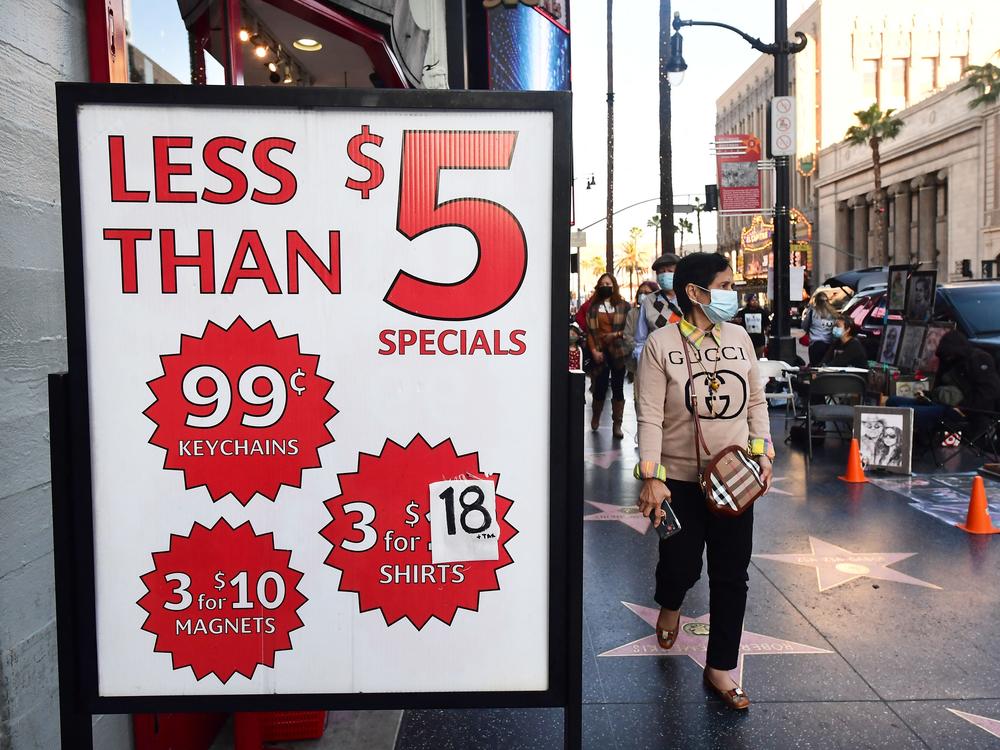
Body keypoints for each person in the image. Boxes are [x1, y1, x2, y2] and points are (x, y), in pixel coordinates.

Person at [634, 252, 773, 711]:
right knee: (681, 565)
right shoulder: (661, 346)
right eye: (726, 285)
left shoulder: (739, 338)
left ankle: (721, 667)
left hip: (735, 479)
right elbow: (650, 417)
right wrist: (652, 477)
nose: (733, 295)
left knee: (732, 575)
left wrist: (763, 451)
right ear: (696, 292)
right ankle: (670, 601)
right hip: (679, 484)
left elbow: (756, 401)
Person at [888, 330, 1000, 435]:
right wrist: (927, 395)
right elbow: (940, 386)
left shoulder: (979, 359)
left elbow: (988, 392)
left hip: (966, 409)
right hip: (945, 403)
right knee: (893, 401)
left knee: (906, 413)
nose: (948, 358)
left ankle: (907, 445)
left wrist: (963, 407)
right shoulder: (947, 360)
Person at [586, 273, 631, 439]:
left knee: (618, 387)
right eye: (602, 283)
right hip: (600, 351)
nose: (606, 285)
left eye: (609, 283)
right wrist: (594, 351)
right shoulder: (593, 307)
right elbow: (590, 333)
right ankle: (596, 415)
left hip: (619, 352)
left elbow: (629, 329)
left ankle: (617, 424)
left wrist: (616, 334)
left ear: (614, 286)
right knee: (600, 387)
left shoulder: (624, 306)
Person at [632, 253, 682, 365]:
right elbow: (641, 339)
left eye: (670, 271)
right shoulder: (648, 302)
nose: (665, 275)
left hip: (685, 359)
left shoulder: (690, 298)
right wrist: (642, 362)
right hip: (657, 360)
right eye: (661, 272)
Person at [624, 281, 659, 381]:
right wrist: (639, 349)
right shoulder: (633, 313)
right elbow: (627, 335)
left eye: (647, 293)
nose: (643, 295)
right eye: (641, 292)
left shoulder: (660, 313)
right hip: (638, 361)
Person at [800, 291, 837, 366]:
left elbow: (804, 326)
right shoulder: (833, 313)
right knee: (827, 367)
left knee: (815, 367)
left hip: (815, 345)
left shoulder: (812, 312)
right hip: (829, 346)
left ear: (816, 301)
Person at [733, 294, 771, 358]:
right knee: (747, 358)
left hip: (759, 341)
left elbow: (766, 326)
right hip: (746, 341)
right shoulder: (742, 312)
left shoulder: (762, 312)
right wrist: (736, 321)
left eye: (756, 300)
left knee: (758, 359)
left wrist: (768, 337)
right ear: (748, 301)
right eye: (752, 300)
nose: (755, 301)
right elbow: (736, 324)